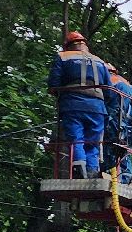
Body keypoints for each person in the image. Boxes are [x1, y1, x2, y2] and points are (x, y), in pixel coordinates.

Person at [46, 31, 111, 178]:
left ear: (68, 45)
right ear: (84, 45)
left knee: (76, 139)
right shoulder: (100, 61)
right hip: (97, 108)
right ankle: (92, 172)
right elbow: (108, 90)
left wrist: (60, 96)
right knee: (93, 142)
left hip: (73, 105)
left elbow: (53, 85)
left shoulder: (63, 57)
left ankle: (79, 172)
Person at [103, 66, 132, 183]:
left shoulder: (110, 81)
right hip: (131, 123)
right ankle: (126, 176)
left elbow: (107, 102)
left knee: (111, 147)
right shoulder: (130, 86)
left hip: (117, 121)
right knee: (125, 150)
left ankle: (111, 173)